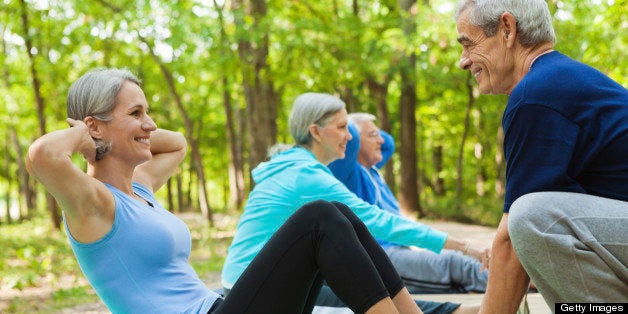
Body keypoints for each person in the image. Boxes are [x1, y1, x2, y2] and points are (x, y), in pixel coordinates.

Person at [26, 68, 423, 314]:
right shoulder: (94, 203)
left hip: (222, 307)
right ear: (94, 125)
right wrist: (86, 133)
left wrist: (124, 128)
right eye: (136, 113)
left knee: (338, 213)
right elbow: (43, 155)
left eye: (147, 111)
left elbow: (178, 142)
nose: (149, 124)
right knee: (318, 217)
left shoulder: (140, 189)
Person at [222, 92, 489, 314]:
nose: (350, 137)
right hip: (252, 294)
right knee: (363, 292)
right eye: (342, 128)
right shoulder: (304, 176)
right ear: (315, 131)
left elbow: (367, 219)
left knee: (356, 252)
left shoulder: (297, 167)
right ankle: (464, 312)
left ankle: (460, 312)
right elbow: (378, 221)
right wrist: (464, 246)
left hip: (266, 281)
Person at [454, 0, 628, 312]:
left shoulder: (537, 95)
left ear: (507, 29)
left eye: (468, 44)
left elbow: (510, 242)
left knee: (532, 216)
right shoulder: (559, 79)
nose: (463, 61)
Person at [328, 112, 489, 294]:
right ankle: (519, 283)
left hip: (397, 250)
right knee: (456, 263)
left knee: (464, 263)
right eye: (373, 136)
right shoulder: (347, 173)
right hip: (378, 256)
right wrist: (348, 119)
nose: (381, 140)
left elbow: (389, 143)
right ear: (353, 142)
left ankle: (516, 278)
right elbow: (354, 135)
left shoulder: (371, 169)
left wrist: (368, 127)